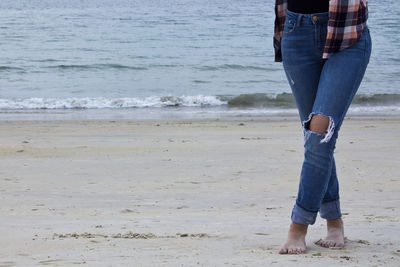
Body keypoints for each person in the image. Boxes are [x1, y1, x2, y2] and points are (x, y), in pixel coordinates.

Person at [273, 0, 371, 254]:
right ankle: (334, 219)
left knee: (320, 134)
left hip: (347, 35)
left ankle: (298, 226)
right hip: (296, 32)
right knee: (316, 138)